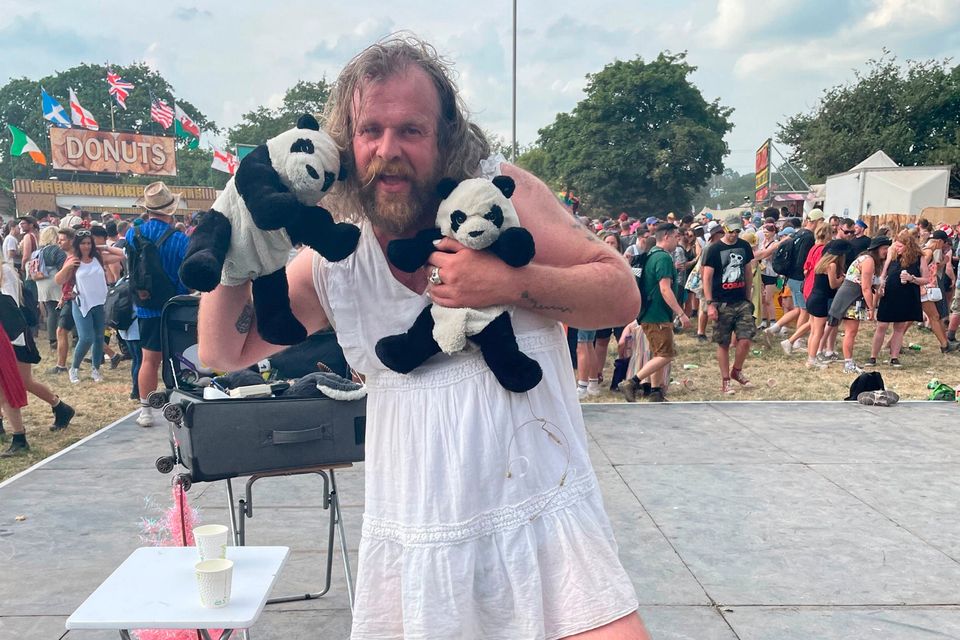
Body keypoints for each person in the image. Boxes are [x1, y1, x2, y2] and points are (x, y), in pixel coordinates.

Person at [196, 36, 647, 640]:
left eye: (411, 129)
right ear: (346, 142)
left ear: (445, 136)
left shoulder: (498, 195)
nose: (388, 149)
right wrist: (238, 243)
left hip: (544, 520)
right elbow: (224, 352)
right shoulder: (338, 257)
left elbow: (620, 293)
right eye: (370, 130)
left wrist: (510, 281)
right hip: (420, 543)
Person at [125, 182, 190, 426]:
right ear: (170, 210)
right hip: (174, 305)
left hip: (145, 305)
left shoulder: (133, 234)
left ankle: (145, 410)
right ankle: (180, 408)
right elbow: (186, 275)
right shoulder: (180, 239)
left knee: (148, 360)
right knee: (179, 359)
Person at [0, 260, 75, 433]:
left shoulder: (5, 271)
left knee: (23, 381)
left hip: (14, 333)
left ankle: (60, 407)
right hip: (8, 332)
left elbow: (10, 305)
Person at [619, 222, 689, 402]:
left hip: (648, 313)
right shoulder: (664, 258)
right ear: (666, 236)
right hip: (657, 314)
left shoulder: (650, 255)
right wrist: (681, 313)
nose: (677, 241)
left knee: (658, 353)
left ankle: (656, 392)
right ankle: (632, 382)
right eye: (676, 237)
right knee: (667, 353)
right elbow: (665, 289)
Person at [54, 229, 125, 383]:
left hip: (99, 302)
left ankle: (96, 369)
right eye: (83, 243)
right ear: (77, 245)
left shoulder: (98, 257)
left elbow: (122, 254)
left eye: (88, 243)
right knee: (86, 337)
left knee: (99, 338)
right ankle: (74, 368)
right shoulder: (73, 260)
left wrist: (103, 247)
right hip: (81, 303)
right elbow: (58, 280)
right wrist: (67, 268)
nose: (86, 246)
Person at [701, 214, 756, 394]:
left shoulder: (744, 246)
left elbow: (748, 272)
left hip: (741, 300)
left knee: (745, 339)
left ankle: (736, 371)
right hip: (721, 301)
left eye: (737, 231)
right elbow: (707, 278)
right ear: (724, 229)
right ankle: (725, 380)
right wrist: (710, 304)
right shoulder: (714, 249)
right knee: (723, 343)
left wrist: (749, 297)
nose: (734, 234)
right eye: (731, 231)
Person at [827, 235, 890, 373]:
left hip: (851, 297)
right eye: (885, 248)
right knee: (851, 332)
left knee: (851, 332)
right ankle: (848, 363)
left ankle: (847, 360)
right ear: (877, 249)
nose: (887, 251)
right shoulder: (868, 261)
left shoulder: (867, 259)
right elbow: (866, 288)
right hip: (850, 299)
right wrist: (871, 308)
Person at [869, 230, 923, 367]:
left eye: (900, 246)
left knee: (899, 327)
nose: (897, 249)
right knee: (882, 325)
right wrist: (881, 283)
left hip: (906, 294)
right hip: (890, 292)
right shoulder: (892, 255)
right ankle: (873, 356)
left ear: (908, 246)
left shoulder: (918, 257)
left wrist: (912, 278)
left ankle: (894, 357)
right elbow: (884, 272)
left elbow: (926, 279)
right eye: (896, 245)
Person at [804, 240, 848, 368]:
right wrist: (842, 279)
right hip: (821, 300)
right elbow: (833, 284)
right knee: (818, 331)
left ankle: (810, 357)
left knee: (813, 331)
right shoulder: (832, 265)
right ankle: (812, 359)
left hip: (813, 297)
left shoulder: (822, 262)